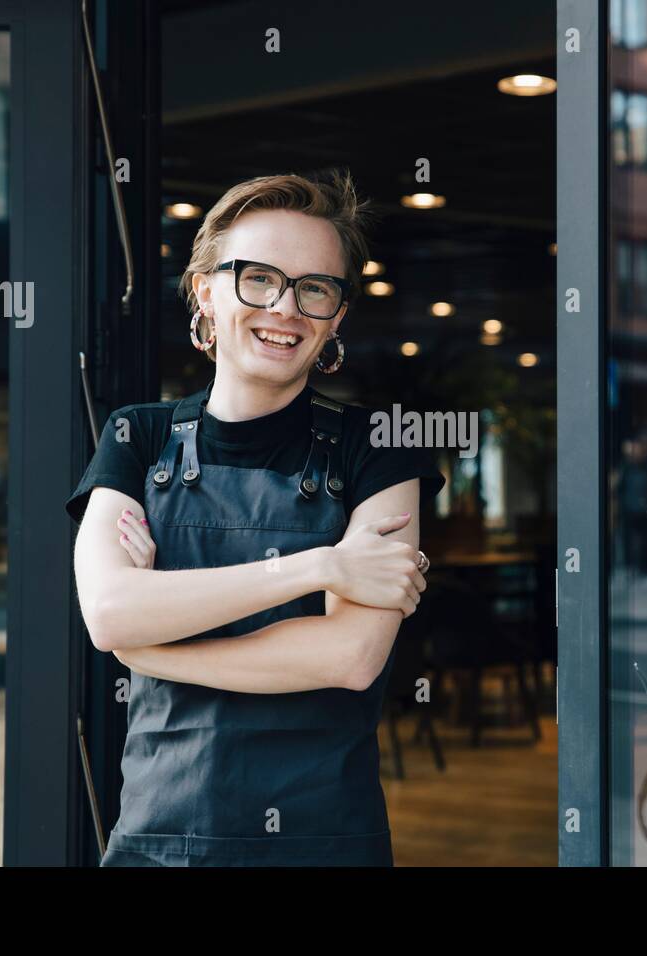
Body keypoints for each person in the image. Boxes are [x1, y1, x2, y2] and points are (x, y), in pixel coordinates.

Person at [66, 170, 444, 866]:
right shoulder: (135, 438)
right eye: (258, 278)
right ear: (205, 290)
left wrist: (155, 650)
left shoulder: (380, 449)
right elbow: (112, 613)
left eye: (314, 288)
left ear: (337, 314)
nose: (285, 307)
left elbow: (350, 657)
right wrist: (321, 565)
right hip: (159, 837)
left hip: (321, 840)